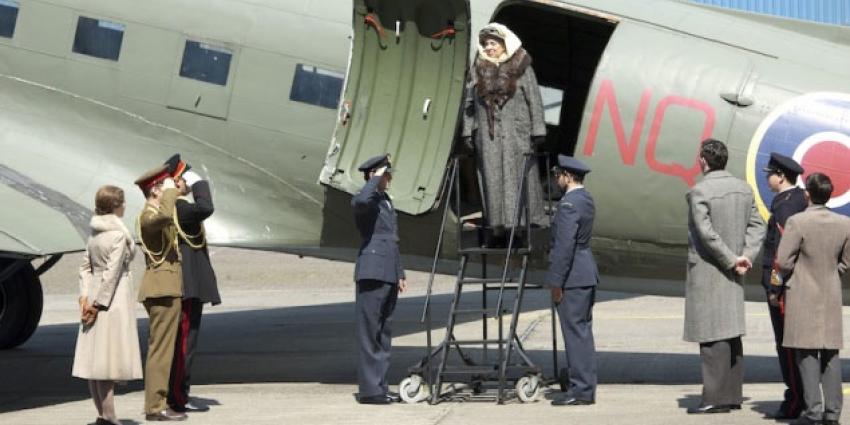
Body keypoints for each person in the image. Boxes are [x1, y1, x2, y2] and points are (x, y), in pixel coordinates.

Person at [684, 138, 765, 414]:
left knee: (711, 335)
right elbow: (758, 227)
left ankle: (714, 399)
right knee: (731, 335)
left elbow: (706, 234)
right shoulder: (744, 189)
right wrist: (746, 257)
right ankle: (732, 395)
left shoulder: (699, 191)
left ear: (704, 161)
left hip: (710, 271)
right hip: (735, 272)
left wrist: (731, 260)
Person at [460, 22, 547, 246]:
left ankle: (518, 228)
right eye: (485, 44)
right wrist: (467, 131)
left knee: (517, 179)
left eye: (493, 43)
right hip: (488, 138)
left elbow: (534, 99)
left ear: (505, 43)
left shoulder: (522, 67)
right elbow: (469, 104)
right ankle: (496, 229)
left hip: (517, 134)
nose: (488, 48)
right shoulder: (477, 69)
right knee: (491, 179)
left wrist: (538, 129)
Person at [776, 173, 850, 425]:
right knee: (830, 356)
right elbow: (846, 262)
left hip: (802, 294)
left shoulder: (798, 222)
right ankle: (832, 414)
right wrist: (831, 273)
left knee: (806, 356)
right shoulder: (844, 223)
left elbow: (783, 261)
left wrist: (799, 274)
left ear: (807, 194)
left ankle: (812, 411)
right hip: (830, 293)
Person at [72, 186, 143, 425]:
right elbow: (112, 274)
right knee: (108, 363)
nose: (124, 206)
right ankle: (111, 417)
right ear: (115, 206)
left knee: (95, 363)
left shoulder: (94, 233)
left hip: (93, 294)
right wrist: (99, 305)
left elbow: (85, 267)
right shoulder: (118, 235)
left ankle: (102, 415)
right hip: (112, 300)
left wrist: (85, 298)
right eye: (122, 203)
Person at [163, 154, 220, 413]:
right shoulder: (179, 209)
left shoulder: (177, 208)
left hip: (190, 284)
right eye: (183, 179)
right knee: (185, 343)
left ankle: (178, 393)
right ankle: (176, 396)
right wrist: (199, 184)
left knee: (185, 342)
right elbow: (206, 207)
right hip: (187, 286)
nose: (186, 183)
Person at [351, 154, 407, 404]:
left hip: (387, 272)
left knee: (384, 332)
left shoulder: (385, 202)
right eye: (386, 173)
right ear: (375, 175)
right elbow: (363, 199)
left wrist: (400, 272)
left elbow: (391, 240)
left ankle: (380, 386)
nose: (390, 177)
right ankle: (370, 390)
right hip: (372, 271)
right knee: (369, 333)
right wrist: (374, 178)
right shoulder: (366, 201)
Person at [134, 165, 187, 421]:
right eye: (164, 186)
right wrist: (169, 194)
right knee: (161, 351)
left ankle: (159, 403)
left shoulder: (156, 211)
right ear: (155, 190)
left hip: (167, 287)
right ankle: (156, 406)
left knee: (163, 349)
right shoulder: (148, 215)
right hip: (161, 289)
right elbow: (165, 217)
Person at [546, 155, 599, 406]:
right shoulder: (585, 199)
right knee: (583, 334)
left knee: (575, 334)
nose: (556, 179)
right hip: (586, 273)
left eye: (558, 175)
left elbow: (564, 247)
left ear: (568, 176)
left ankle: (581, 391)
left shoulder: (568, 205)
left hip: (573, 277)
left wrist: (556, 282)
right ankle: (584, 386)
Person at [761, 153, 807, 420]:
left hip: (784, 289)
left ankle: (795, 399)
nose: (768, 178)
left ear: (781, 176)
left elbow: (782, 253)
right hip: (795, 286)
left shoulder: (785, 206)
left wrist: (775, 288)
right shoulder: (799, 199)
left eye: (770, 173)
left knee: (786, 345)